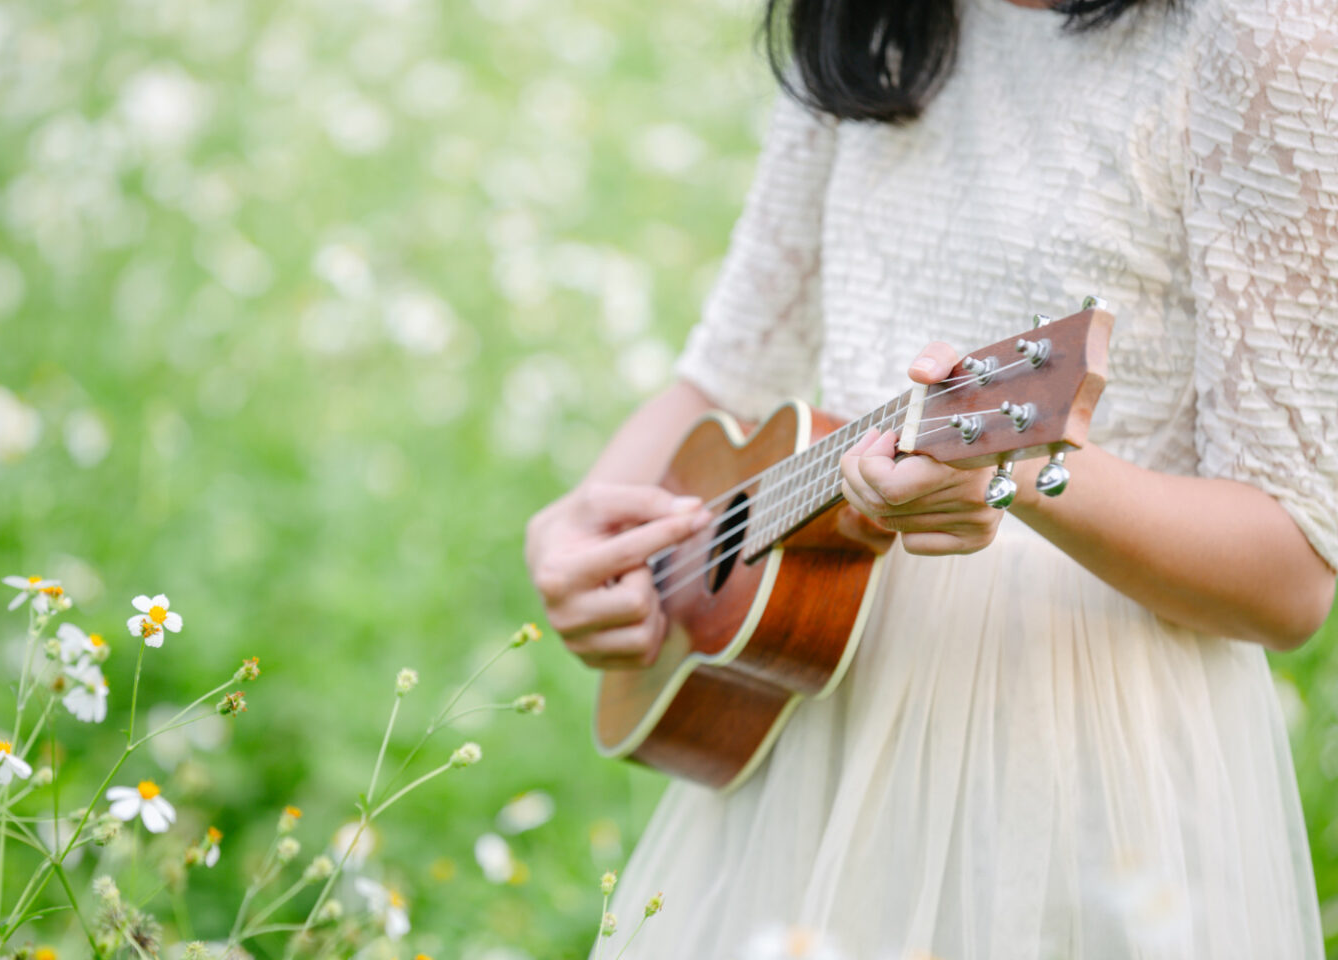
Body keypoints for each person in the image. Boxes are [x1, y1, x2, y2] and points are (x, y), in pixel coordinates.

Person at [522, 0, 1338, 955]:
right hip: (814, 715)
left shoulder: (1265, 36)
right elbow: (724, 372)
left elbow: (1290, 576)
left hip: (1085, 767)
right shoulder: (869, 18)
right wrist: (581, 538)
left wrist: (1022, 474)